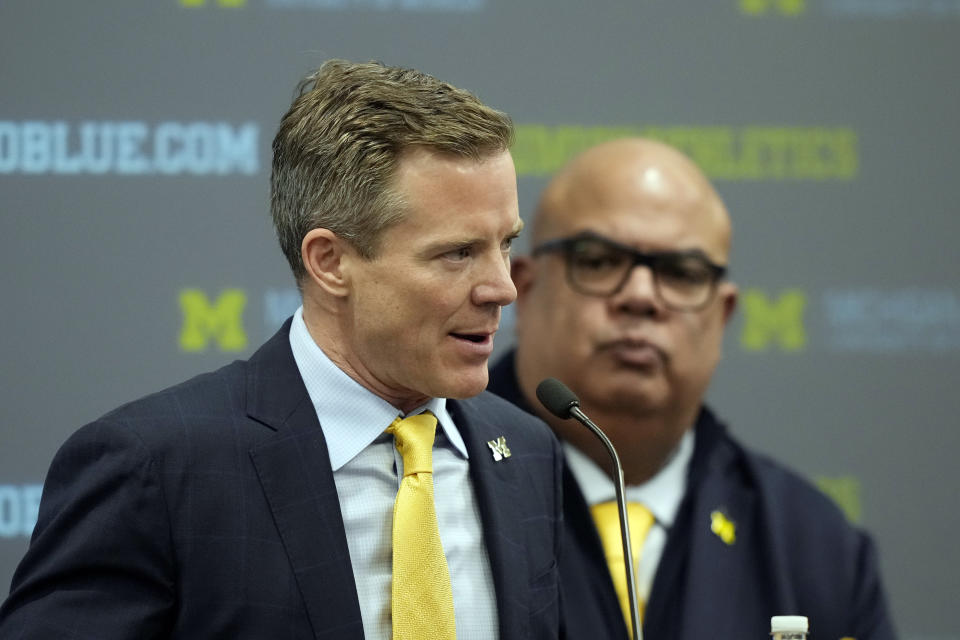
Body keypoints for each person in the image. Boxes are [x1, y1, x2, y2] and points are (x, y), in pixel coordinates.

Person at [0, 60, 566, 639]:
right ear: (331, 262)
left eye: (506, 243)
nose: (503, 287)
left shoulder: (526, 450)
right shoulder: (157, 468)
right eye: (457, 253)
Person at [488, 138, 897, 640]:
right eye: (597, 261)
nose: (640, 297)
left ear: (722, 316)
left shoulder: (814, 545)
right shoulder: (437, 486)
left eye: (681, 274)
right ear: (522, 290)